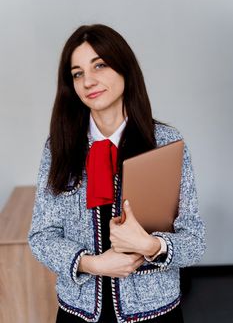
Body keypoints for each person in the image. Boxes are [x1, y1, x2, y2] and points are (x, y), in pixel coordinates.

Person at [28, 24, 206, 323]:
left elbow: (195, 241)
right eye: (77, 73)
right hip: (79, 313)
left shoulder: (165, 143)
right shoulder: (58, 146)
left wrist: (150, 246)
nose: (88, 81)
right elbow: (41, 237)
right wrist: (93, 264)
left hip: (155, 312)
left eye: (100, 65)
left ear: (125, 69)